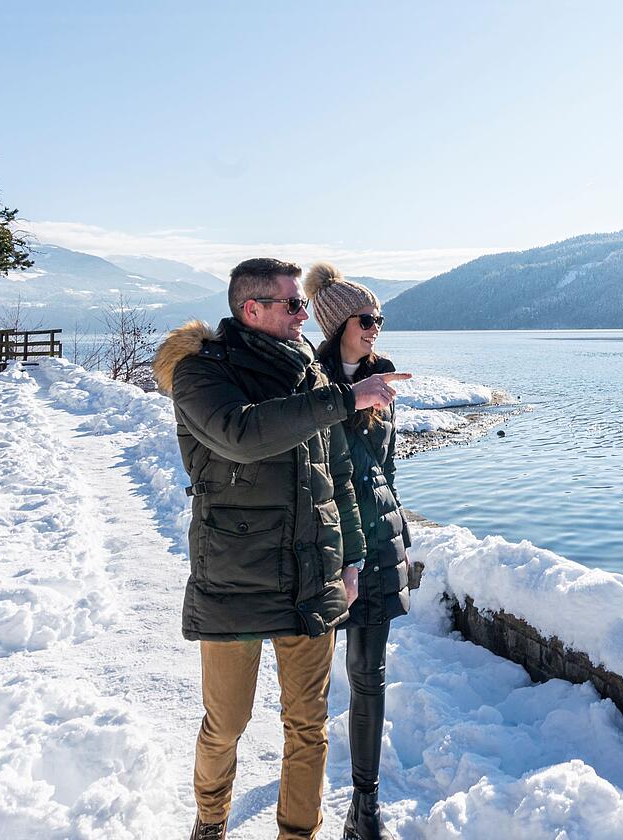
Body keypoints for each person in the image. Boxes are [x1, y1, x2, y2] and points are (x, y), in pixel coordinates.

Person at [153, 257, 408, 840]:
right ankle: (211, 823)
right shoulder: (201, 372)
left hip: (310, 574)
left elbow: (337, 474)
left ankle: (299, 833)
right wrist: (345, 399)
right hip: (236, 578)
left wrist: (351, 557)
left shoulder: (307, 373)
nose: (304, 315)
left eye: (302, 304)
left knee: (309, 725)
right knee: (226, 723)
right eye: (294, 305)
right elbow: (241, 435)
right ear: (252, 309)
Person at [305, 262, 414, 840]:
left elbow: (386, 464)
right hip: (323, 546)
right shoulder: (306, 380)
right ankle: (301, 800)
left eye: (379, 319)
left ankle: (365, 808)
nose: (375, 328)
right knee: (310, 684)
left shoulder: (385, 377)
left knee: (368, 675)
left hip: (376, 543)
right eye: (366, 319)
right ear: (337, 323)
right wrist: (351, 398)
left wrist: (395, 525)